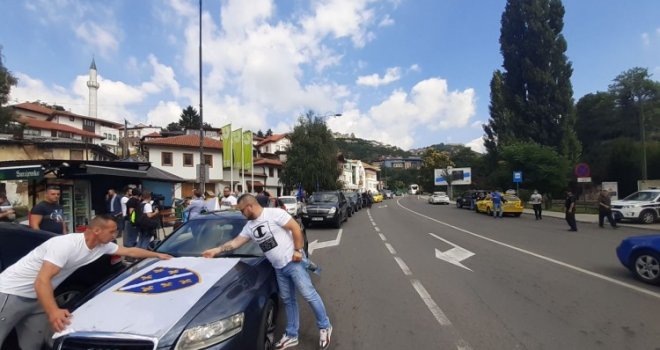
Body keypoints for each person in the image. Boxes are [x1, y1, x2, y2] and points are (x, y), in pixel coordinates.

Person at [0, 214, 172, 350]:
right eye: (112, 232)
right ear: (97, 230)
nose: (116, 235)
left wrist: (157, 255)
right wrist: (53, 311)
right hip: (10, 294)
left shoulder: (101, 246)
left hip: (39, 299)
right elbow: (42, 280)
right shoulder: (65, 245)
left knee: (33, 344)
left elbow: (130, 251)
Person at [203, 194, 332, 350]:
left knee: (309, 295)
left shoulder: (274, 214)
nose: (242, 214)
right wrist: (216, 250)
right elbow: (236, 242)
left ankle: (325, 326)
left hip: (293, 263)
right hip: (278, 267)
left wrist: (298, 250)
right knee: (288, 300)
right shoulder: (249, 226)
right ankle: (292, 335)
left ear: (249, 207)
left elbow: (295, 228)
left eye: (242, 210)